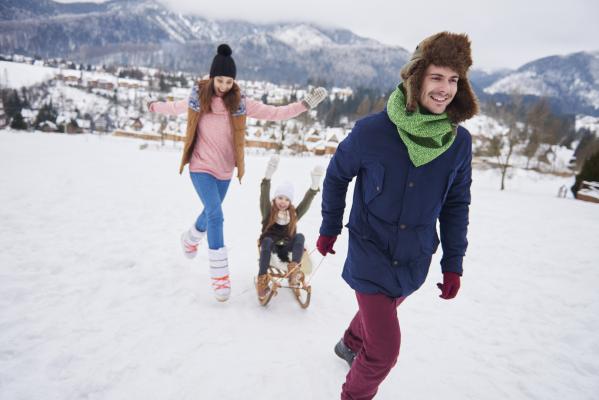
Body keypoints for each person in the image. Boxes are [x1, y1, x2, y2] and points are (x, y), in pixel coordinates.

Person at [316, 32, 479, 399]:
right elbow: (337, 175)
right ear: (416, 78)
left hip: (414, 257)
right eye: (437, 77)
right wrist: (329, 227)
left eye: (454, 79)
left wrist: (453, 263)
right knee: (383, 352)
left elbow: (456, 204)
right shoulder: (373, 131)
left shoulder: (459, 144)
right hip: (369, 250)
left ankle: (349, 343)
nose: (445, 89)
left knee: (384, 311)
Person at [148, 44, 328, 302]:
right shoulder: (197, 97)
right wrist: (153, 106)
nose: (223, 86)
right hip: (200, 167)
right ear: (212, 77)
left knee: (210, 211)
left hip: (224, 171)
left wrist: (304, 105)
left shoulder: (240, 103)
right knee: (216, 215)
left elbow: (275, 113)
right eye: (219, 80)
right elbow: (174, 107)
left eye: (229, 81)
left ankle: (190, 238)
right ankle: (220, 276)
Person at [256, 155, 323, 302]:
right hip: (271, 247)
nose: (283, 202)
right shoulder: (268, 211)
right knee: (267, 240)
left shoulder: (293, 215)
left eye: (287, 199)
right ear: (275, 198)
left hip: (286, 248)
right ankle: (262, 279)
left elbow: (306, 203)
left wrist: (314, 186)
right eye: (280, 197)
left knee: (300, 236)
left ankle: (294, 270)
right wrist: (268, 176)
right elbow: (264, 195)